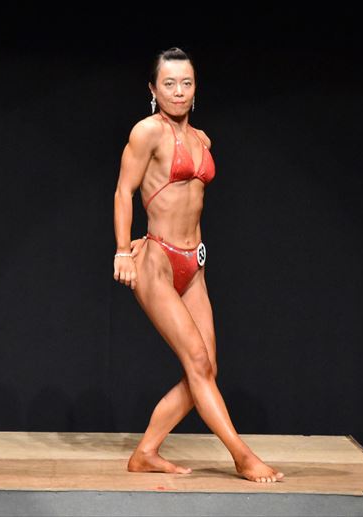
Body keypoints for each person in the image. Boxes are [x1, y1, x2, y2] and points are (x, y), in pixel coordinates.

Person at [112, 47, 284, 483]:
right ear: (153, 89)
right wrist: (121, 251)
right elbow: (123, 191)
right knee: (196, 361)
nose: (178, 91)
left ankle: (145, 452)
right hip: (156, 262)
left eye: (185, 83)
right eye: (168, 83)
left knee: (206, 369)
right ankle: (242, 456)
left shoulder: (202, 140)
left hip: (194, 264)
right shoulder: (147, 132)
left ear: (195, 88)